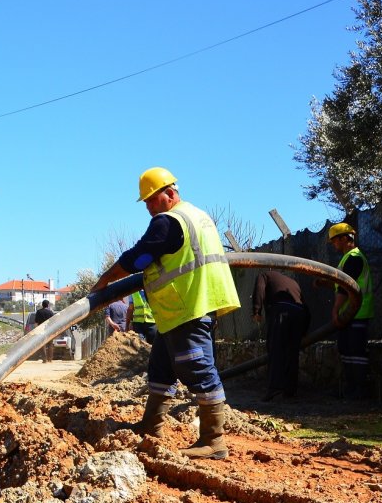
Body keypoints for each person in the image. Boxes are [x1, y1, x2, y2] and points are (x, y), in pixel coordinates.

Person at [90, 167, 240, 460]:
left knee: (197, 368)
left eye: (150, 200)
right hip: (179, 309)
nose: (147, 207)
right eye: (145, 202)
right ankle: (150, 426)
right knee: (161, 368)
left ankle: (214, 439)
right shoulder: (198, 216)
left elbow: (139, 257)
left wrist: (105, 281)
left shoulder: (169, 221)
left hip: (189, 305)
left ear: (170, 194)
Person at [327, 222, 374, 399]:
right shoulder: (348, 258)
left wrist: (335, 310)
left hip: (356, 313)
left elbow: (347, 288)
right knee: (347, 350)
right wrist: (325, 282)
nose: (333, 244)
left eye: (335, 240)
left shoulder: (353, 258)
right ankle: (351, 388)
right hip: (351, 314)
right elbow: (341, 284)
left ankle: (359, 389)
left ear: (345, 238)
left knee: (356, 351)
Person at [251, 270, 310, 401]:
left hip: (281, 310)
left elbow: (259, 288)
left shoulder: (264, 274)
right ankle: (290, 391)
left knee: (276, 349)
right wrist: (304, 331)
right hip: (299, 314)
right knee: (292, 353)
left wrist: (257, 310)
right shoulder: (293, 283)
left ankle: (274, 389)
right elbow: (305, 307)